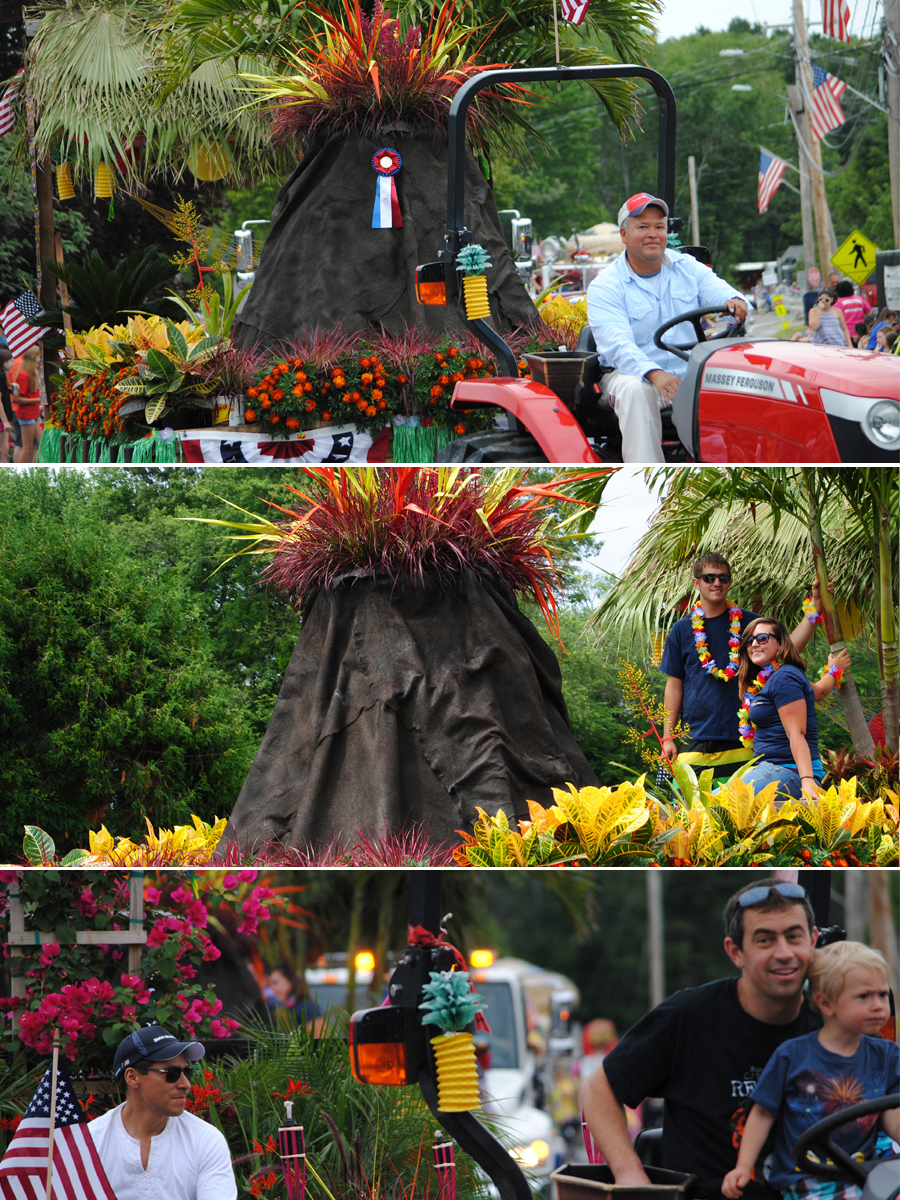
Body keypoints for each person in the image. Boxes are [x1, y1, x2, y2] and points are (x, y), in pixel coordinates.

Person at [581, 878, 823, 1200]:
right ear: (736, 952)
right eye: (765, 940)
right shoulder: (691, 1016)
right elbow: (598, 1089)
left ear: (813, 941)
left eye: (794, 937)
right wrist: (629, 1173)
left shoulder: (832, 1021)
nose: (784, 953)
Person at [722, 940, 899, 1200]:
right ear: (826, 1004)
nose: (878, 1006)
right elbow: (761, 1113)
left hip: (865, 1171)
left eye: (883, 995)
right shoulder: (792, 1055)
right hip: (806, 1177)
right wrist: (743, 1167)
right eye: (864, 996)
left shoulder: (887, 1055)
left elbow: (892, 1111)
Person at [585, 192, 748, 462]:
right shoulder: (606, 285)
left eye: (659, 227)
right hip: (633, 375)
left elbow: (722, 293)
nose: (653, 234)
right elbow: (618, 346)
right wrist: (654, 373)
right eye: (643, 227)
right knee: (637, 391)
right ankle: (648, 480)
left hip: (691, 373)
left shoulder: (687, 267)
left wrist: (735, 303)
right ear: (624, 235)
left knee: (748, 380)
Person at [660, 553, 826, 777]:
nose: (717, 583)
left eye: (723, 577)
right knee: (689, 809)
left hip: (742, 738)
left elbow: (788, 646)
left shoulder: (752, 624)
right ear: (696, 583)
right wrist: (668, 737)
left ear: (730, 581)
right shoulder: (681, 630)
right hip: (693, 739)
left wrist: (815, 607)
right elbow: (673, 686)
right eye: (709, 578)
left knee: (738, 808)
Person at [90, 1025, 237, 1200]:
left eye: (186, 1072)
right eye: (172, 1073)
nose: (185, 1084)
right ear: (132, 1077)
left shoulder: (205, 1140)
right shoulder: (91, 1142)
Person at [737, 618, 849, 804]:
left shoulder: (784, 677)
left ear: (780, 644)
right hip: (772, 769)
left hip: (790, 771)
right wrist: (833, 670)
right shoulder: (771, 678)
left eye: (762, 638)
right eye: (749, 640)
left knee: (718, 802)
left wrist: (807, 781)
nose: (754, 643)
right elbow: (818, 691)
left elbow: (796, 732)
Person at [11, 344, 43, 463]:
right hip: (26, 415)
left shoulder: (32, 373)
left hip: (35, 414)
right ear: (32, 357)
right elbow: (16, 399)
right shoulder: (23, 375)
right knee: (28, 447)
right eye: (38, 356)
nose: (40, 359)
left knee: (42, 444)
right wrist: (38, 400)